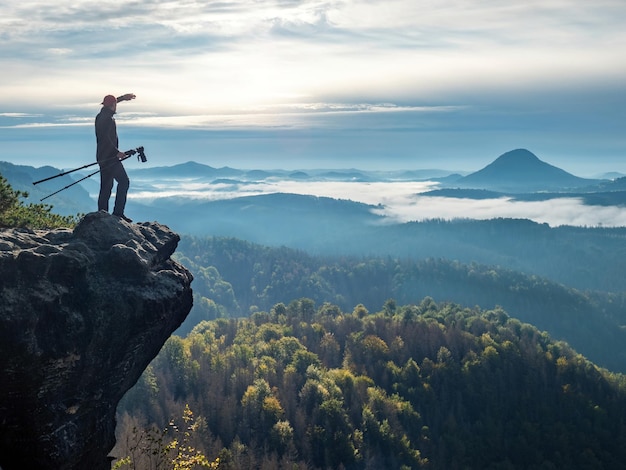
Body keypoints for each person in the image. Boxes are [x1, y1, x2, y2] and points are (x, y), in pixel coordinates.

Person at [95, 93, 136, 222]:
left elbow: (112, 102)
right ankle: (118, 213)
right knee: (124, 182)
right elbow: (106, 138)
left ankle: (102, 214)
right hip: (110, 157)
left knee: (106, 187)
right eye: (115, 104)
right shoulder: (107, 119)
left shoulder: (101, 115)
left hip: (102, 157)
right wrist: (116, 152)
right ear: (113, 106)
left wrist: (123, 98)